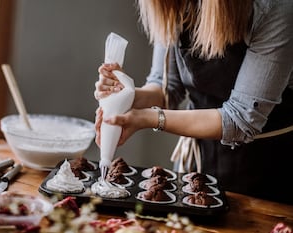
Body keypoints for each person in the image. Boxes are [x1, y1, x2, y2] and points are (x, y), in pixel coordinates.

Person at [94, 0, 293, 205]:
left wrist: (147, 118)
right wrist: (126, 96)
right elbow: (166, 88)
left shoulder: (274, 9)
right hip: (196, 163)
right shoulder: (172, 5)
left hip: (262, 168)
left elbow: (240, 120)